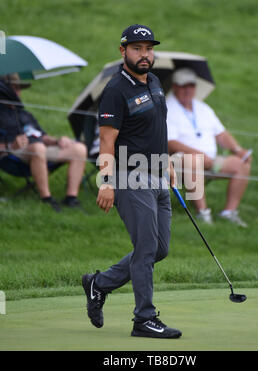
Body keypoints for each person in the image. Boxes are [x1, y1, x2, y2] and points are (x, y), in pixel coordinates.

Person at [82, 24, 182, 339]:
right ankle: (144, 319)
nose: (144, 54)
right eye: (137, 48)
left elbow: (157, 128)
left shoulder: (153, 81)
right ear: (123, 50)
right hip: (129, 176)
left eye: (149, 48)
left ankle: (100, 283)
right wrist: (106, 182)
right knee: (146, 246)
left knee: (159, 249)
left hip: (157, 175)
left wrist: (167, 162)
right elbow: (106, 143)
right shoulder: (115, 90)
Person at [167, 68, 252, 227]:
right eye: (183, 86)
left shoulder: (202, 107)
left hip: (209, 160)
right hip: (176, 163)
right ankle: (203, 214)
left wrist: (238, 150)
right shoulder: (167, 107)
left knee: (241, 164)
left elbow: (221, 134)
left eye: (191, 86)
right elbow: (169, 142)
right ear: (175, 86)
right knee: (194, 161)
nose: (188, 90)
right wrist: (198, 154)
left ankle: (229, 212)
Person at [0, 74, 87, 211]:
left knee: (79, 148)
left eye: (19, 88)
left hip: (39, 150)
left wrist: (57, 141)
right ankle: (46, 198)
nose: (19, 92)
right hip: (12, 156)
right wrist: (11, 146)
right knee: (38, 148)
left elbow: (43, 136)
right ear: (5, 90)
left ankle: (71, 198)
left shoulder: (24, 114)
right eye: (15, 88)